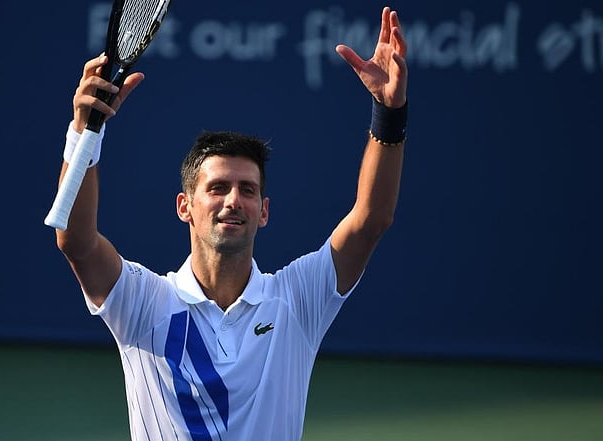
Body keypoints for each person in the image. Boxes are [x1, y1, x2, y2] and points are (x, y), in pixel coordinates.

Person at [48, 6, 408, 441]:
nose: (233, 200)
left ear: (264, 211)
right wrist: (85, 132)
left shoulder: (295, 301)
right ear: (185, 206)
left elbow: (371, 220)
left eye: (248, 190)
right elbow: (76, 241)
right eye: (217, 188)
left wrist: (388, 114)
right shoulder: (144, 302)